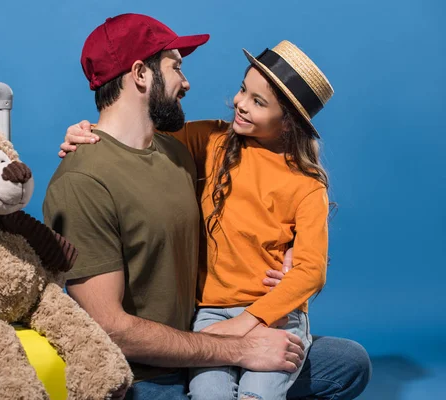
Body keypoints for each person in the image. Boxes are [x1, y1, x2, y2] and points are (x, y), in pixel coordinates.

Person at [48, 13, 371, 400]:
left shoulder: (179, 148)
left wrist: (293, 263)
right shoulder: (85, 181)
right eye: (176, 67)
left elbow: (271, 208)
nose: (186, 83)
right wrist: (240, 346)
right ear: (140, 74)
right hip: (149, 369)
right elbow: (110, 329)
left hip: (211, 329)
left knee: (350, 362)